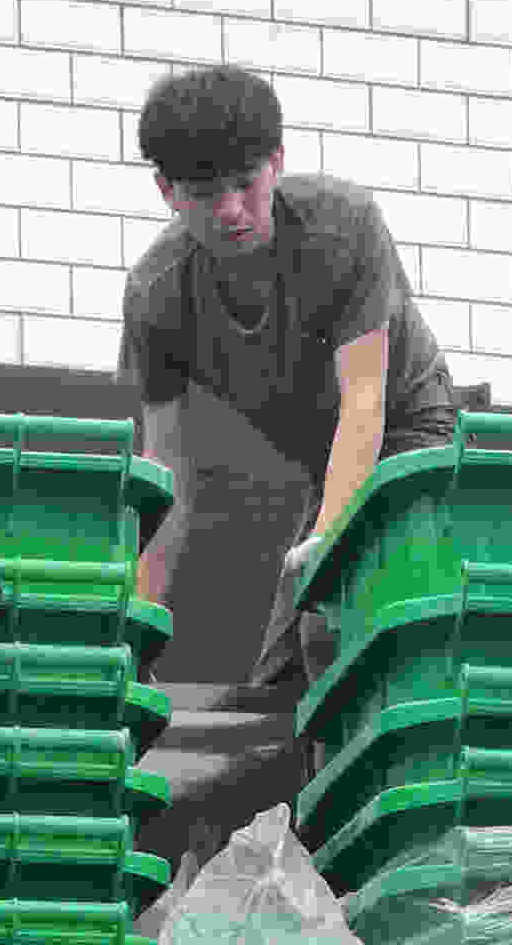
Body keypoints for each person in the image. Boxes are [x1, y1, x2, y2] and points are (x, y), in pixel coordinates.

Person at [123, 64, 461, 702]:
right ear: (167, 190)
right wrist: (138, 629)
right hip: (328, 461)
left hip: (411, 429)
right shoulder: (158, 294)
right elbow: (169, 475)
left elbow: (365, 401)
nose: (230, 211)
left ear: (276, 162)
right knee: (280, 683)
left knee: (328, 624)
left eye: (245, 185)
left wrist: (325, 543)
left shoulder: (345, 226)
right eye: (204, 193)